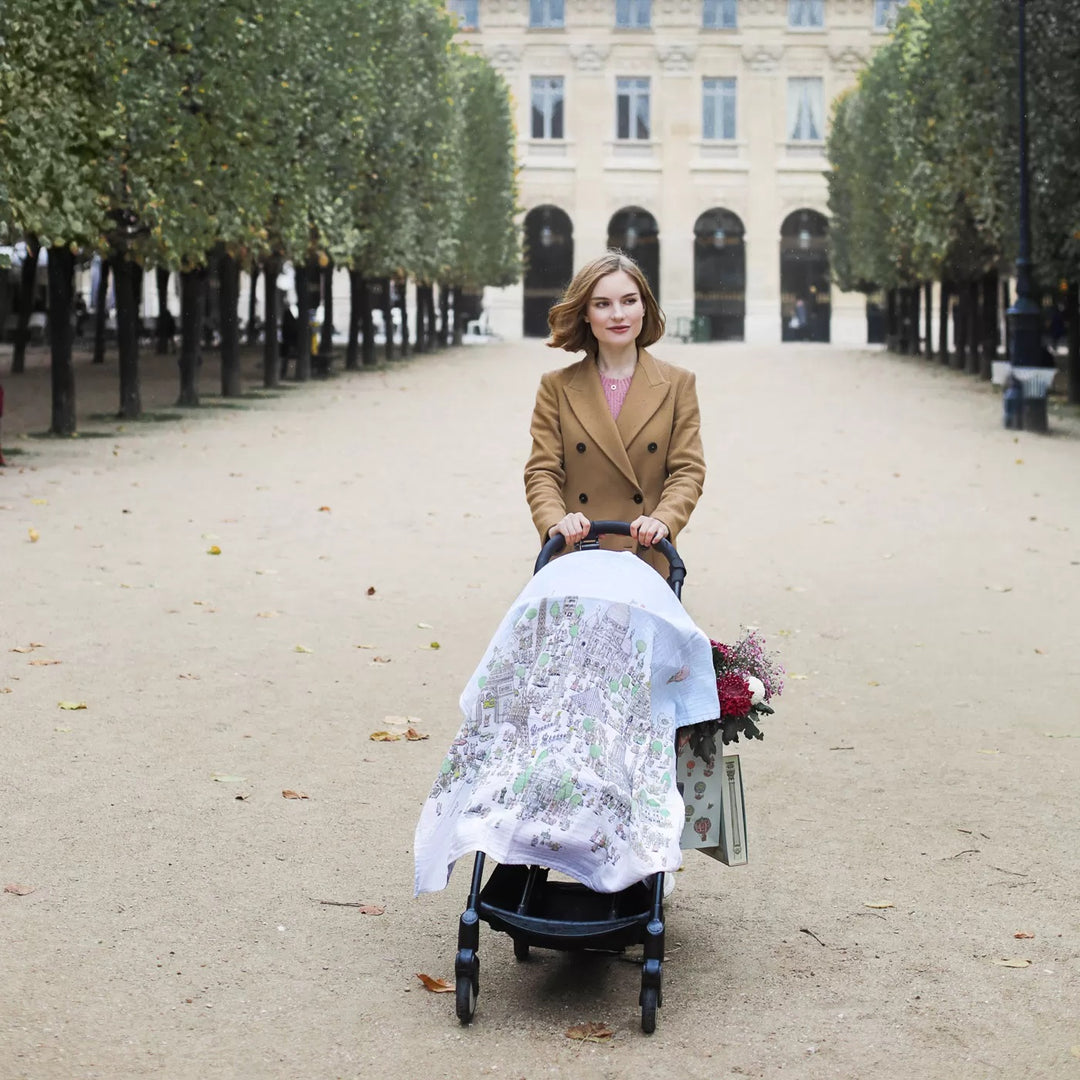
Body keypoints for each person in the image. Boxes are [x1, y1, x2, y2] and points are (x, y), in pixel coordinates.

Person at [524, 251, 705, 575]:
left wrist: (663, 520)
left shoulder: (678, 383)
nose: (618, 314)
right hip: (577, 551)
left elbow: (688, 470)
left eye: (629, 301)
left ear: (645, 307)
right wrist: (556, 521)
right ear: (585, 313)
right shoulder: (556, 386)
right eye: (603, 304)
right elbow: (542, 471)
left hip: (647, 553)